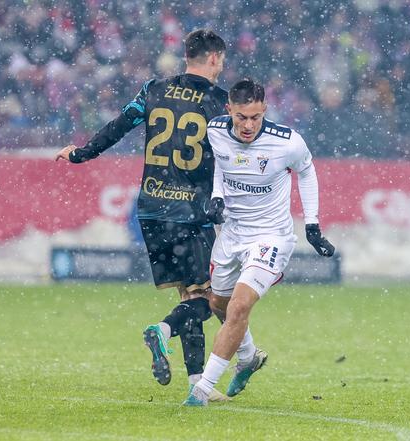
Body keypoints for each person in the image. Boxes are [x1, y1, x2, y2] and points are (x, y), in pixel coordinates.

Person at [55, 29, 230, 401]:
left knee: (190, 292)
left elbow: (119, 127)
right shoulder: (221, 101)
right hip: (192, 211)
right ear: (214, 58)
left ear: (187, 55)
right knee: (207, 299)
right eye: (222, 61)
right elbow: (235, 158)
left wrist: (80, 154)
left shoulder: (153, 89)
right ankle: (162, 331)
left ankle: (196, 381)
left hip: (151, 208)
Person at [183, 78, 335, 406]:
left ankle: (201, 390)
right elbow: (220, 165)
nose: (248, 125)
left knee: (239, 307)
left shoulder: (288, 143)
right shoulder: (215, 130)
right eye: (241, 117)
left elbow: (307, 173)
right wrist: (217, 196)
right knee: (218, 306)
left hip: (271, 238)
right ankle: (249, 357)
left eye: (255, 117)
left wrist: (312, 225)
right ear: (229, 111)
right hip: (232, 235)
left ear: (265, 110)